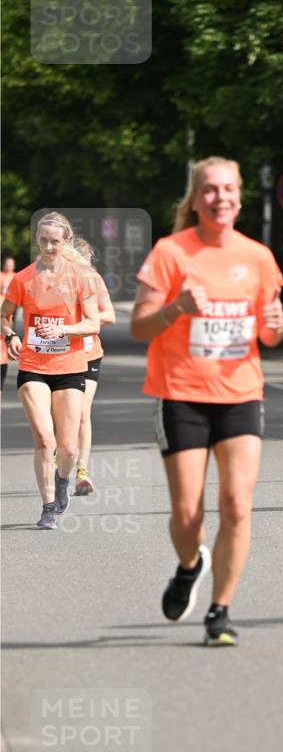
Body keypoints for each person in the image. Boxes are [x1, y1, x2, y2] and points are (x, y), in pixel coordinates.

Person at [130, 156, 283, 647]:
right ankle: (188, 566)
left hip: (241, 393)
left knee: (237, 504)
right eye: (210, 190)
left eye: (228, 189)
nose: (220, 198)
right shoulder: (170, 252)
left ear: (240, 197)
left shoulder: (258, 257)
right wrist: (177, 308)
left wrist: (277, 328)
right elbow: (139, 327)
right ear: (196, 200)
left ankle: (220, 611)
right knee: (187, 516)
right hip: (181, 394)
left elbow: (270, 331)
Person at [0, 214, 100, 528]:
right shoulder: (23, 279)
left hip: (70, 368)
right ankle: (47, 507)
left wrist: (64, 330)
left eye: (55, 241)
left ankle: (62, 480)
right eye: (43, 240)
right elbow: (4, 316)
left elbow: (93, 323)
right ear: (37, 239)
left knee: (67, 448)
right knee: (45, 440)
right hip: (33, 367)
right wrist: (11, 336)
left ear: (65, 241)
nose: (48, 246)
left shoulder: (80, 278)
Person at [71, 237, 116, 496]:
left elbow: (110, 315)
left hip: (89, 354)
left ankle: (82, 471)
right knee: (64, 413)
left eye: (88, 262)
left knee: (82, 412)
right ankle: (60, 451)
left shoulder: (95, 281)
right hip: (63, 357)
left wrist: (87, 317)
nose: (86, 267)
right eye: (81, 262)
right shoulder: (58, 282)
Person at [1, 254, 16, 393]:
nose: (10, 266)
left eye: (12, 264)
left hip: (11, 305)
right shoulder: (1, 276)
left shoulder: (16, 276)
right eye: (8, 264)